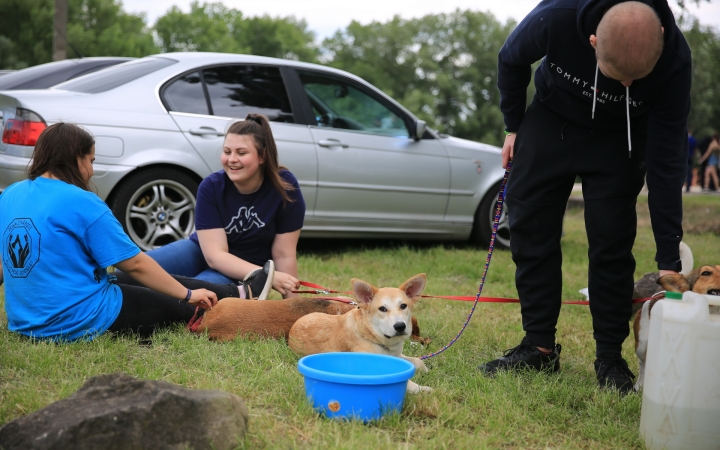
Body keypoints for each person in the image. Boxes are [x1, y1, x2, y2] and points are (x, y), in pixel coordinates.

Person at [480, 0, 691, 394]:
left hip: (620, 138)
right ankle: (539, 346)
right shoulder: (558, 15)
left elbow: (666, 165)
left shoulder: (675, 60)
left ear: (661, 41)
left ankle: (610, 356)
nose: (626, 85)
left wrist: (668, 259)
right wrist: (513, 125)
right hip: (552, 116)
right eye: (618, 76)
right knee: (530, 228)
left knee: (612, 242)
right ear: (593, 42)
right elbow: (510, 60)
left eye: (636, 79)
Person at [0, 122, 250, 342]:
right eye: (91, 160)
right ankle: (240, 304)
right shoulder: (81, 201)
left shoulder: (10, 195)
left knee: (122, 279)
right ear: (77, 158)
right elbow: (136, 264)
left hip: (26, 324)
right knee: (184, 304)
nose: (92, 170)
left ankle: (238, 292)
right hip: (79, 321)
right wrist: (188, 295)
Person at [134, 113, 306, 300]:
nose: (232, 159)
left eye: (241, 153)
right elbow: (214, 256)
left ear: (262, 155)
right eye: (227, 151)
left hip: (243, 271)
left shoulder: (284, 187)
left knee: (190, 297)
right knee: (140, 269)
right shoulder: (211, 186)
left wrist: (292, 306)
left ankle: (242, 293)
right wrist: (268, 276)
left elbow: (283, 254)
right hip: (200, 251)